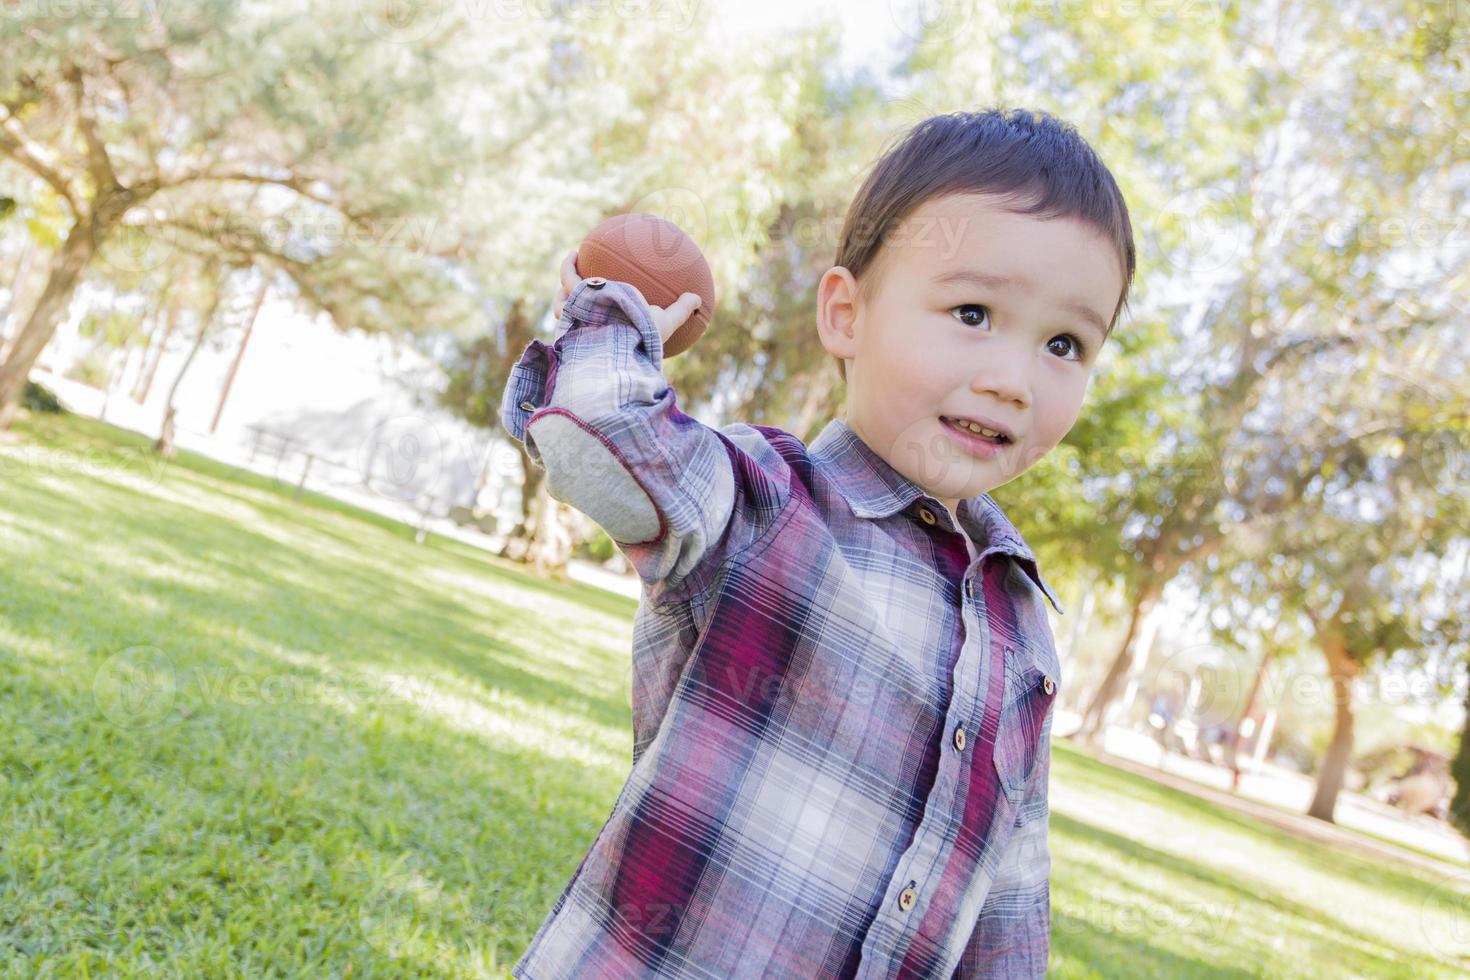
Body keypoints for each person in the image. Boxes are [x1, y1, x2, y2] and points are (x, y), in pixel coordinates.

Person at [499, 107, 1136, 979]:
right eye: (974, 312)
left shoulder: (1022, 626)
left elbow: (1010, 887)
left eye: (1065, 343)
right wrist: (613, 313)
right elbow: (596, 437)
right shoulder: (761, 500)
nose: (1013, 379)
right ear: (846, 314)